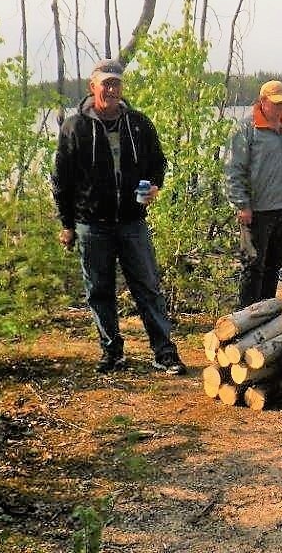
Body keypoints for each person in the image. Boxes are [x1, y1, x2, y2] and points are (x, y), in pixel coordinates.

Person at [52, 59, 186, 374]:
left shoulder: (138, 123)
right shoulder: (75, 127)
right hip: (91, 223)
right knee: (99, 290)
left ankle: (164, 352)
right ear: (92, 87)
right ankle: (112, 352)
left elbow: (158, 163)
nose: (111, 90)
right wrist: (67, 224)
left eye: (116, 84)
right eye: (106, 84)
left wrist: (154, 186)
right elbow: (61, 179)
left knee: (148, 287)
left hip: (131, 222)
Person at [224, 80, 282, 308]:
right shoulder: (246, 129)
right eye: (276, 103)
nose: (281, 107)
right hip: (256, 210)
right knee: (253, 265)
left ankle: (266, 315)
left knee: (274, 263)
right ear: (262, 101)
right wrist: (241, 204)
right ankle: (244, 319)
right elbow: (234, 169)